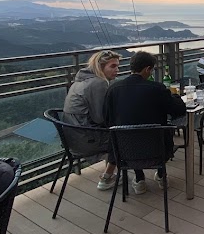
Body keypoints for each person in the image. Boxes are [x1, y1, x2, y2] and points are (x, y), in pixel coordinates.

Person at [103, 51, 186, 195]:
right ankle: (161, 174)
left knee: (132, 132)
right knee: (161, 131)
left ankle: (139, 178)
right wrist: (175, 96)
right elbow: (179, 110)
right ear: (147, 69)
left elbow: (107, 119)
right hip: (157, 151)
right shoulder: (157, 89)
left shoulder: (113, 89)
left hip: (124, 151)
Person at [62, 50, 121, 191]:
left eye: (118, 66)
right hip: (86, 141)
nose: (117, 70)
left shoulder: (81, 80)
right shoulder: (98, 83)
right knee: (124, 136)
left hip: (72, 139)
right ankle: (107, 178)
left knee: (117, 132)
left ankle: (110, 173)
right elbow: (101, 118)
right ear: (100, 67)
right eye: (113, 66)